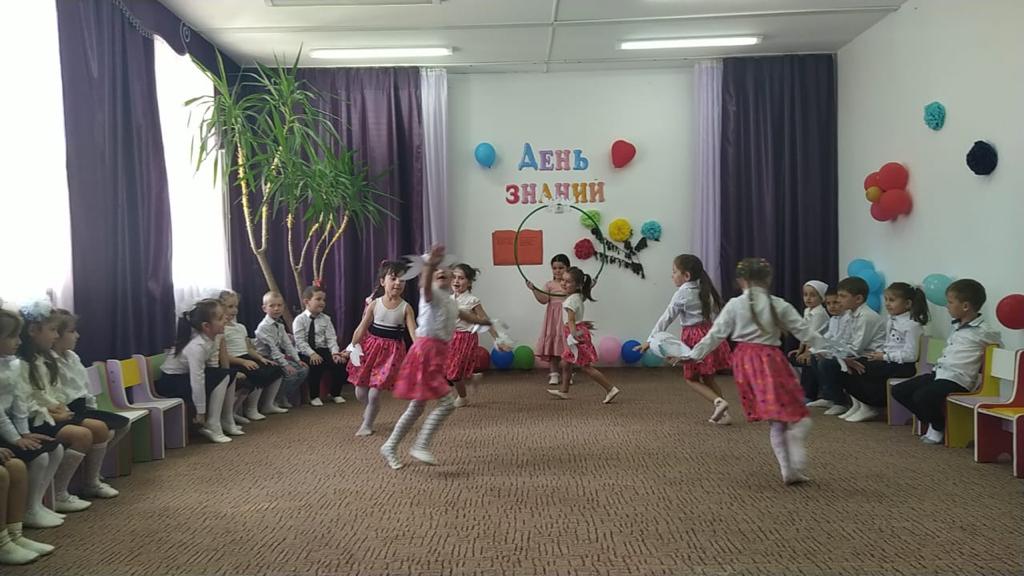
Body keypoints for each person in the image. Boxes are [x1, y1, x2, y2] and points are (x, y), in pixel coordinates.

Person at [685, 258, 827, 485]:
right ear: (768, 279)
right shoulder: (778, 304)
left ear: (741, 281)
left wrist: (693, 354)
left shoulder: (734, 305)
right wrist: (834, 351)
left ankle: (787, 470)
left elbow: (716, 335)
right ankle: (795, 444)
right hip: (768, 361)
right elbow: (805, 332)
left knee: (776, 420)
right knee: (799, 416)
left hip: (744, 362)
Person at [379, 246, 492, 470]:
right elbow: (425, 285)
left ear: (452, 276)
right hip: (425, 353)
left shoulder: (450, 301)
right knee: (447, 403)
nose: (441, 271)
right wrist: (430, 265)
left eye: (445, 269)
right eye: (435, 270)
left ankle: (390, 446)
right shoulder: (429, 296)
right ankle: (420, 445)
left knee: (417, 406)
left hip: (436, 355)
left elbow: (464, 314)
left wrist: (486, 322)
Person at [18, 300, 118, 510]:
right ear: (33, 331)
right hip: (31, 421)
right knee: (83, 435)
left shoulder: (41, 359)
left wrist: (57, 407)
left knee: (103, 428)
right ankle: (59, 493)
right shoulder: (22, 364)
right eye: (52, 330)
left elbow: (49, 392)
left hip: (49, 414)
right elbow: (25, 401)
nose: (55, 336)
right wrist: (53, 412)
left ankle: (87, 482)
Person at [892, 279, 1000, 445]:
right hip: (940, 374)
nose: (947, 306)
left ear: (965, 306)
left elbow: (996, 349)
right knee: (899, 390)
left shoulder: (984, 331)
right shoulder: (956, 325)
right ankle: (935, 421)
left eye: (950, 302)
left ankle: (938, 426)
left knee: (922, 396)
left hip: (958, 379)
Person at [639, 254, 731, 423]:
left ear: (686, 275)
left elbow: (666, 317)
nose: (672, 276)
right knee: (708, 377)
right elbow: (715, 313)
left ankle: (718, 402)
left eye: (675, 272)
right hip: (708, 333)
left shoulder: (682, 293)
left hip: (693, 338)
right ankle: (724, 413)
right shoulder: (705, 289)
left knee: (691, 378)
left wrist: (650, 339)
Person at [0, 309, 63, 530]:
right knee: (37, 457)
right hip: (4, 430)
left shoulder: (12, 364)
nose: (18, 341)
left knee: (54, 448)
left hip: (11, 427)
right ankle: (26, 514)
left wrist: (24, 433)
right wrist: (16, 438)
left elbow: (18, 404)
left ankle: (34, 506)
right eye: (12, 336)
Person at [347, 261, 416, 436]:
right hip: (371, 350)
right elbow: (361, 328)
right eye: (393, 278)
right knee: (360, 392)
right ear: (383, 281)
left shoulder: (406, 308)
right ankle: (371, 409)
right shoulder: (374, 304)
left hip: (391, 354)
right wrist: (351, 347)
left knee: (374, 393)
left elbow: (413, 333)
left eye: (402, 280)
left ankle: (367, 424)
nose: (398, 283)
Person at [840, 283, 928, 422]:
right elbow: (888, 344)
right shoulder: (891, 320)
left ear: (907, 304)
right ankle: (860, 405)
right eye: (886, 299)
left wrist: (885, 356)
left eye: (892, 300)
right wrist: (877, 354)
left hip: (902, 366)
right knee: (849, 363)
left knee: (861, 367)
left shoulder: (912, 325)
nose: (887, 304)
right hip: (888, 360)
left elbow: (911, 356)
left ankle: (870, 405)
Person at [157, 299, 239, 444]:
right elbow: (197, 381)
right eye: (220, 318)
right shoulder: (196, 346)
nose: (226, 319)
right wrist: (200, 411)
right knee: (222, 376)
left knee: (228, 374)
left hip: (184, 377)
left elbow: (212, 367)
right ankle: (212, 424)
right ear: (206, 326)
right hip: (171, 383)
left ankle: (226, 419)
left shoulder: (212, 338)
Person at [802, 277, 885, 414]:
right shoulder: (851, 314)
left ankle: (841, 402)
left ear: (858, 299)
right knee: (816, 356)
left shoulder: (866, 317)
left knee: (827, 363)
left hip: (869, 357)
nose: (839, 300)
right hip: (857, 353)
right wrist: (821, 350)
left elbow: (856, 348)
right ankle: (830, 397)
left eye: (842, 296)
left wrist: (832, 354)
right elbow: (840, 341)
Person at [547, 267, 620, 404]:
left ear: (578, 285)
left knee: (586, 366)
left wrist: (574, 334)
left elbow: (571, 320)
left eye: (568, 282)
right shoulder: (578, 296)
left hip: (574, 335)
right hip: (576, 332)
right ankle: (564, 391)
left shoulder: (570, 301)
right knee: (566, 363)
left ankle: (610, 388)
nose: (563, 283)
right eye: (563, 280)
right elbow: (578, 310)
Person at [215, 291, 283, 424]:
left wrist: (260, 358)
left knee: (275, 369)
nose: (234, 310)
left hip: (246, 357)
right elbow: (221, 355)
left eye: (236, 306)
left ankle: (268, 404)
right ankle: (249, 409)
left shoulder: (240, 327)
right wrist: (243, 361)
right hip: (233, 360)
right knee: (257, 373)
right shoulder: (221, 329)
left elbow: (248, 348)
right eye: (230, 306)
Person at [254, 292, 309, 412]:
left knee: (303, 369)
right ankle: (272, 401)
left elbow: (287, 345)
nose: (276, 308)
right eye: (272, 306)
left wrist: (297, 360)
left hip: (277, 356)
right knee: (290, 373)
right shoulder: (263, 327)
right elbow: (273, 349)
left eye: (279, 305)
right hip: (265, 358)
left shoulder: (279, 325)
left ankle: (282, 396)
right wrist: (286, 365)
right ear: (264, 308)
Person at [293, 286, 347, 406]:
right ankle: (314, 396)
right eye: (318, 299)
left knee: (340, 362)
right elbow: (300, 341)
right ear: (307, 302)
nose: (322, 302)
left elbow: (331, 339)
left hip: (322, 349)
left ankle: (335, 393)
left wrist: (335, 353)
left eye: (323, 300)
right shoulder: (299, 320)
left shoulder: (326, 319)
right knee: (315, 364)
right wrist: (312, 354)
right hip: (306, 351)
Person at [527, 254, 570, 386]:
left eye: (561, 268)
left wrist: (589, 287)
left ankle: (567, 373)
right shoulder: (549, 285)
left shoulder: (570, 285)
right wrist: (534, 289)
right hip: (553, 320)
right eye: (554, 268)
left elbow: (579, 298)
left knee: (568, 346)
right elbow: (543, 300)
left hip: (566, 317)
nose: (557, 271)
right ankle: (554, 374)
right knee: (553, 346)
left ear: (568, 268)